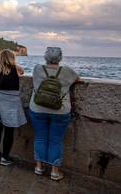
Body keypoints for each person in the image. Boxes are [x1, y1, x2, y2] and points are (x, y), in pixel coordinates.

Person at [29, 47, 80, 181]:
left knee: (40, 137)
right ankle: (55, 172)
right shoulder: (67, 71)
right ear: (60, 58)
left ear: (45, 57)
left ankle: (39, 167)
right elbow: (77, 79)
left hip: (37, 109)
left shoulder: (37, 69)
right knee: (55, 140)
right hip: (60, 111)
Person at [0, 49, 26, 166]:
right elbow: (23, 72)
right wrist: (13, 64)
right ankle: (5, 157)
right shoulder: (16, 69)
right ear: (12, 58)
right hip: (11, 102)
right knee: (9, 129)